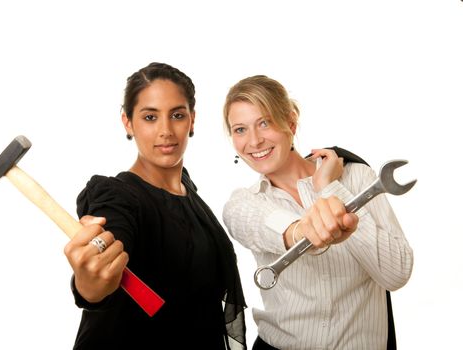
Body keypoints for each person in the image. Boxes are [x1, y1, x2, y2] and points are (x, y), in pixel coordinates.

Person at [221, 75, 413, 350]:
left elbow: (396, 274)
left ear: (291, 121)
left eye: (264, 122)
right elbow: (269, 225)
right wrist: (301, 230)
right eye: (240, 130)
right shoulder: (244, 203)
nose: (253, 141)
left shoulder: (359, 179)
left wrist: (330, 188)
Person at [64, 62, 247, 349]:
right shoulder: (117, 196)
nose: (166, 131)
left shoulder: (190, 195)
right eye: (150, 117)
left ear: (192, 120)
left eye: (177, 115)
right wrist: (90, 284)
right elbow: (112, 236)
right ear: (128, 122)